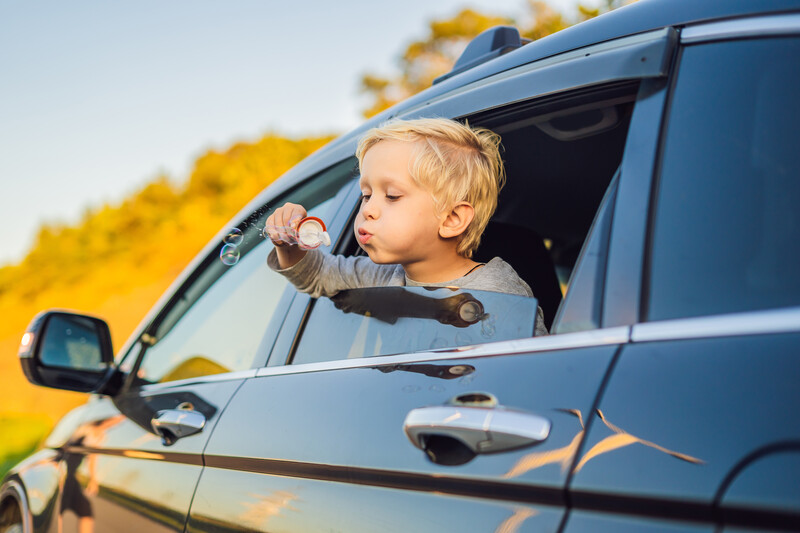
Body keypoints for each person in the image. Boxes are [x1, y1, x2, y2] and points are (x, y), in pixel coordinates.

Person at [266, 117, 548, 336]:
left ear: (452, 219)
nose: (368, 210)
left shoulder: (496, 290)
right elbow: (316, 275)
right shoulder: (381, 276)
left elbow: (534, 374)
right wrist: (289, 244)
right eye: (366, 195)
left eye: (392, 196)